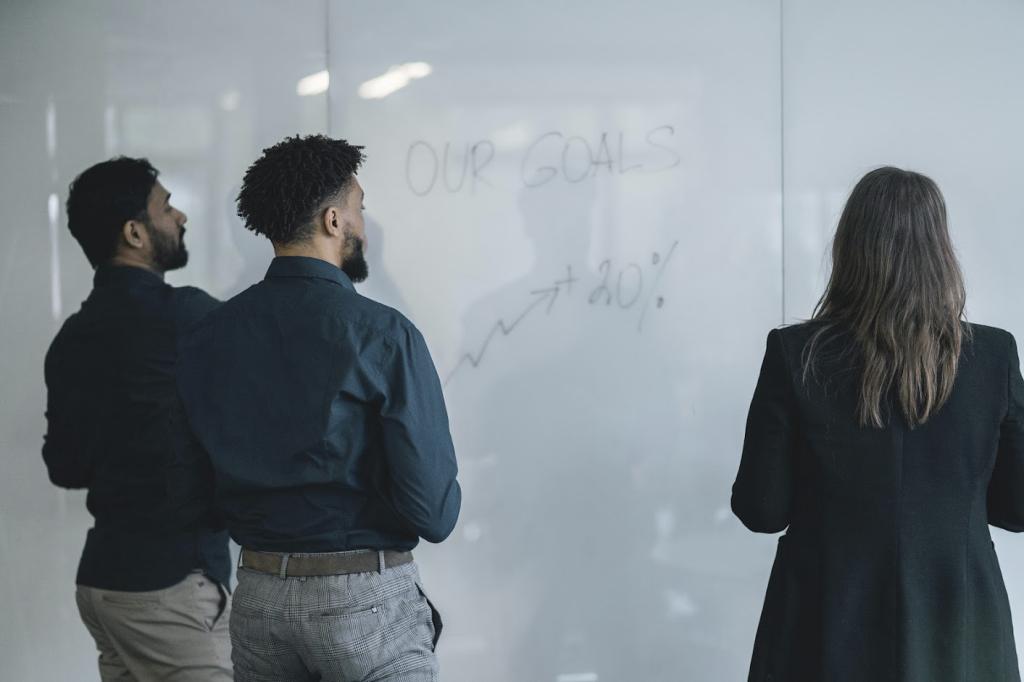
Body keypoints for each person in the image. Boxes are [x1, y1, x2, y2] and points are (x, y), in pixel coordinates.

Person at [173, 134, 461, 682]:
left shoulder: (204, 338)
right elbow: (435, 513)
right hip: (364, 599)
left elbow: (191, 503)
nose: (364, 228)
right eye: (359, 210)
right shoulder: (383, 335)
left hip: (258, 599)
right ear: (333, 221)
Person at [732, 166, 1024, 682]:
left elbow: (762, 510)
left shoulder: (794, 353)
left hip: (823, 624)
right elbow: (1017, 508)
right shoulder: (994, 356)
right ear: (941, 251)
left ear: (848, 248)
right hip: (957, 629)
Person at [43, 157, 233, 681]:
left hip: (105, 585)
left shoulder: (69, 341)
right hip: (171, 591)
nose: (181, 217)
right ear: (134, 233)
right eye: (166, 207)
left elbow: (65, 469)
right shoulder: (188, 317)